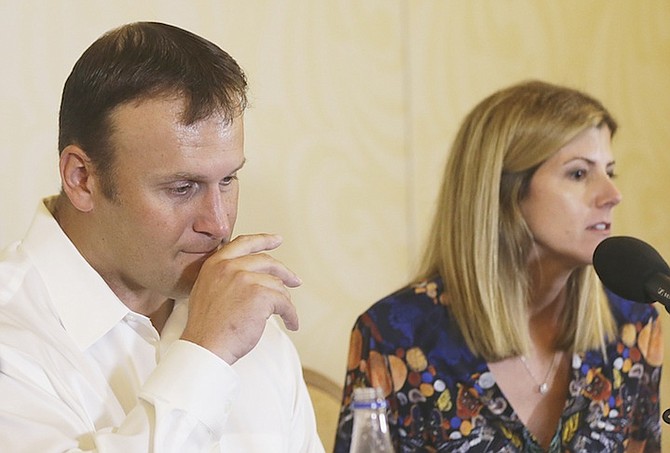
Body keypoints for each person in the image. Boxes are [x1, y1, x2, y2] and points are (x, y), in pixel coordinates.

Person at [0, 22, 324, 452]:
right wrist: (206, 355)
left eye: (228, 180)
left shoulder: (252, 328)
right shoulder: (12, 338)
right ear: (82, 179)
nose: (219, 224)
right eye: (182, 188)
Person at [334, 80, 662, 452]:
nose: (612, 195)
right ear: (504, 191)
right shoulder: (394, 336)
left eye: (610, 172)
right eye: (579, 173)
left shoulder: (632, 322)